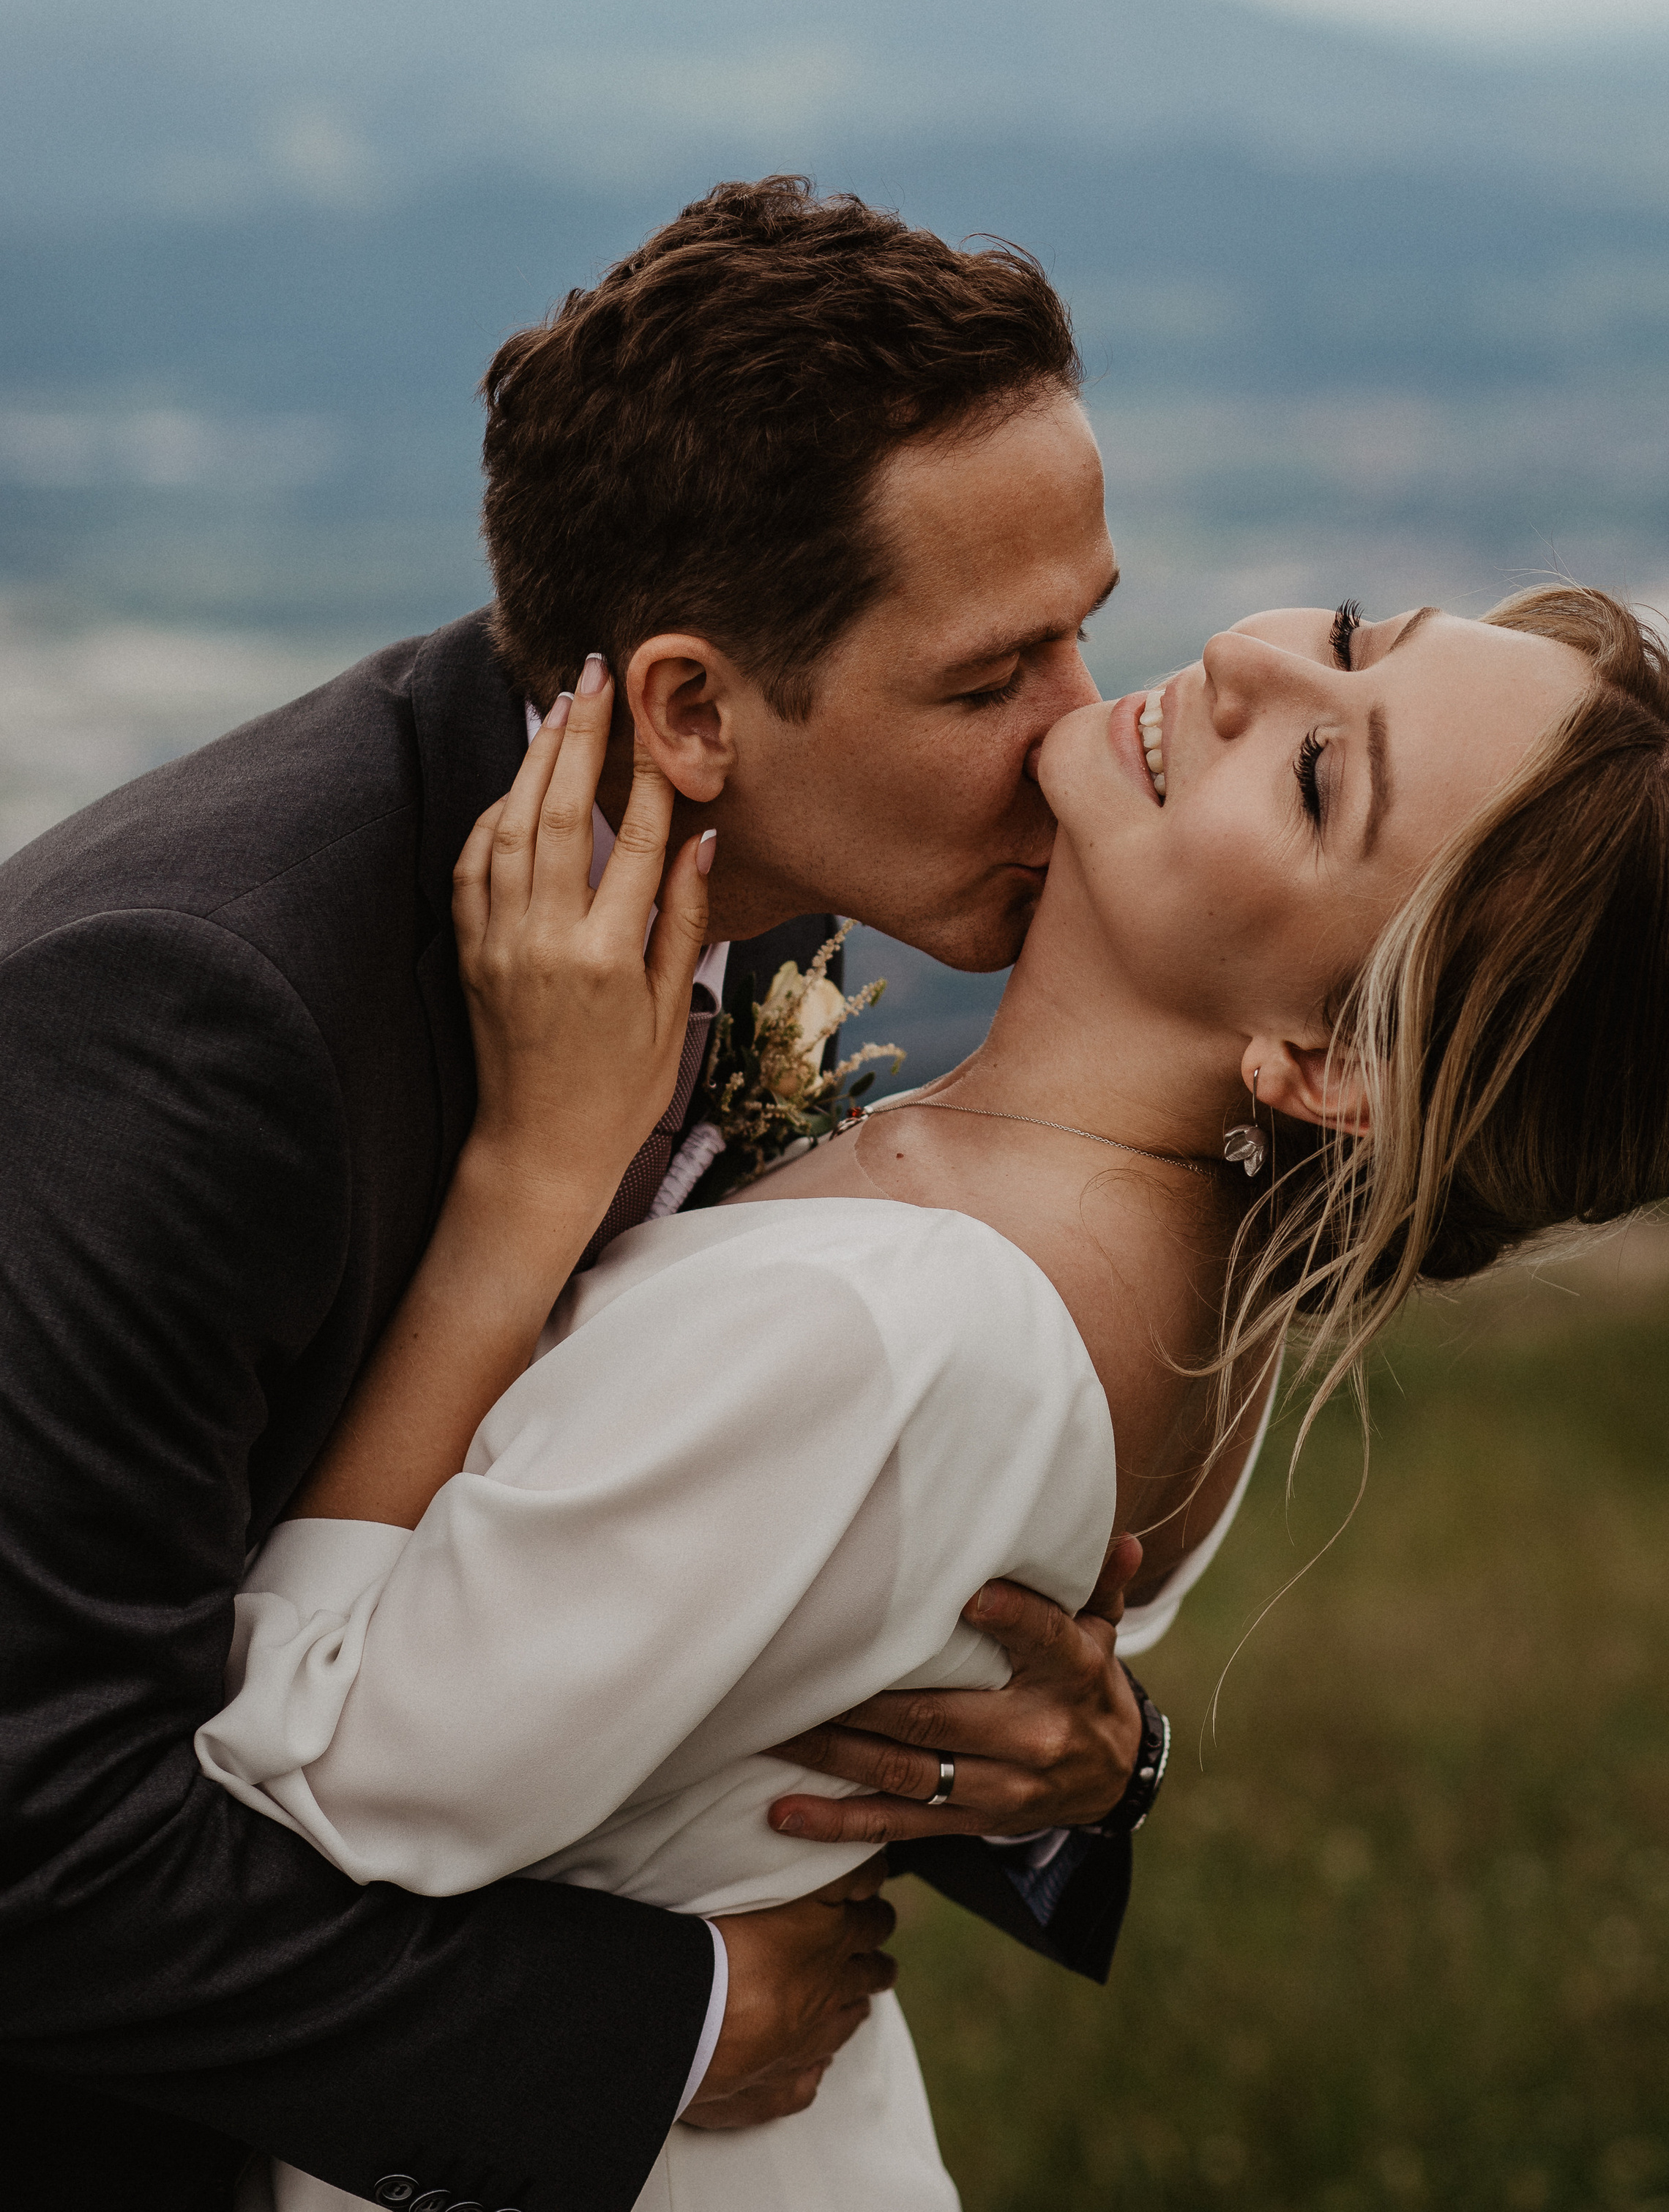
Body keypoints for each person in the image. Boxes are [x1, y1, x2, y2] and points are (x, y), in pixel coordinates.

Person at [198, 571, 1669, 2211]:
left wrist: (522, 1186)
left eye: (1322, 778)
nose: (1242, 663)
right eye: (1343, 637)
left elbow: (302, 1780)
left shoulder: (883, 1329)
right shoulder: (1221, 1286)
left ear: (1328, 1065)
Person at [0, 179, 1158, 2212]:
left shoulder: (755, 871)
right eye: (993, 683)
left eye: (1089, 637)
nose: (1084, 747)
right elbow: (38, 1831)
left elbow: (648, 1560)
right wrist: (671, 2028)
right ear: (694, 706)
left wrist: (1076, 1764)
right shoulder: (195, 1023)